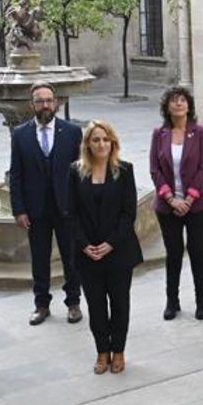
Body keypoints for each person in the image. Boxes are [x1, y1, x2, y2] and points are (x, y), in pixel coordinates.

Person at [67, 120, 143, 374]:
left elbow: (128, 213)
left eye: (105, 139)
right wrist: (85, 245)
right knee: (96, 306)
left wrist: (110, 243)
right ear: (87, 143)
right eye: (96, 139)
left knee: (120, 304)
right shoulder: (75, 171)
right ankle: (102, 351)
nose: (101, 144)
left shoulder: (124, 170)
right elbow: (72, 214)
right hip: (87, 254)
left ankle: (118, 351)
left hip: (118, 252)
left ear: (113, 143)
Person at [9, 83, 83, 326]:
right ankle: (41, 305)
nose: (45, 105)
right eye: (39, 101)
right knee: (39, 259)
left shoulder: (72, 132)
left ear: (56, 103)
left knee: (71, 257)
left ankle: (73, 302)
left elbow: (80, 172)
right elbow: (16, 174)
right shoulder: (20, 134)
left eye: (49, 100)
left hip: (66, 208)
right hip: (36, 210)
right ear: (32, 105)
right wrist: (18, 209)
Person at [149, 87, 203, 321]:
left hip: (197, 205)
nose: (178, 104)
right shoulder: (159, 133)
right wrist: (170, 198)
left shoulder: (201, 132)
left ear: (189, 105)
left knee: (197, 252)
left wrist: (188, 199)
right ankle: (172, 301)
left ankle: (201, 301)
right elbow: (155, 170)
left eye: (182, 100)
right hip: (167, 206)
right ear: (167, 106)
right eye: (174, 101)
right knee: (173, 253)